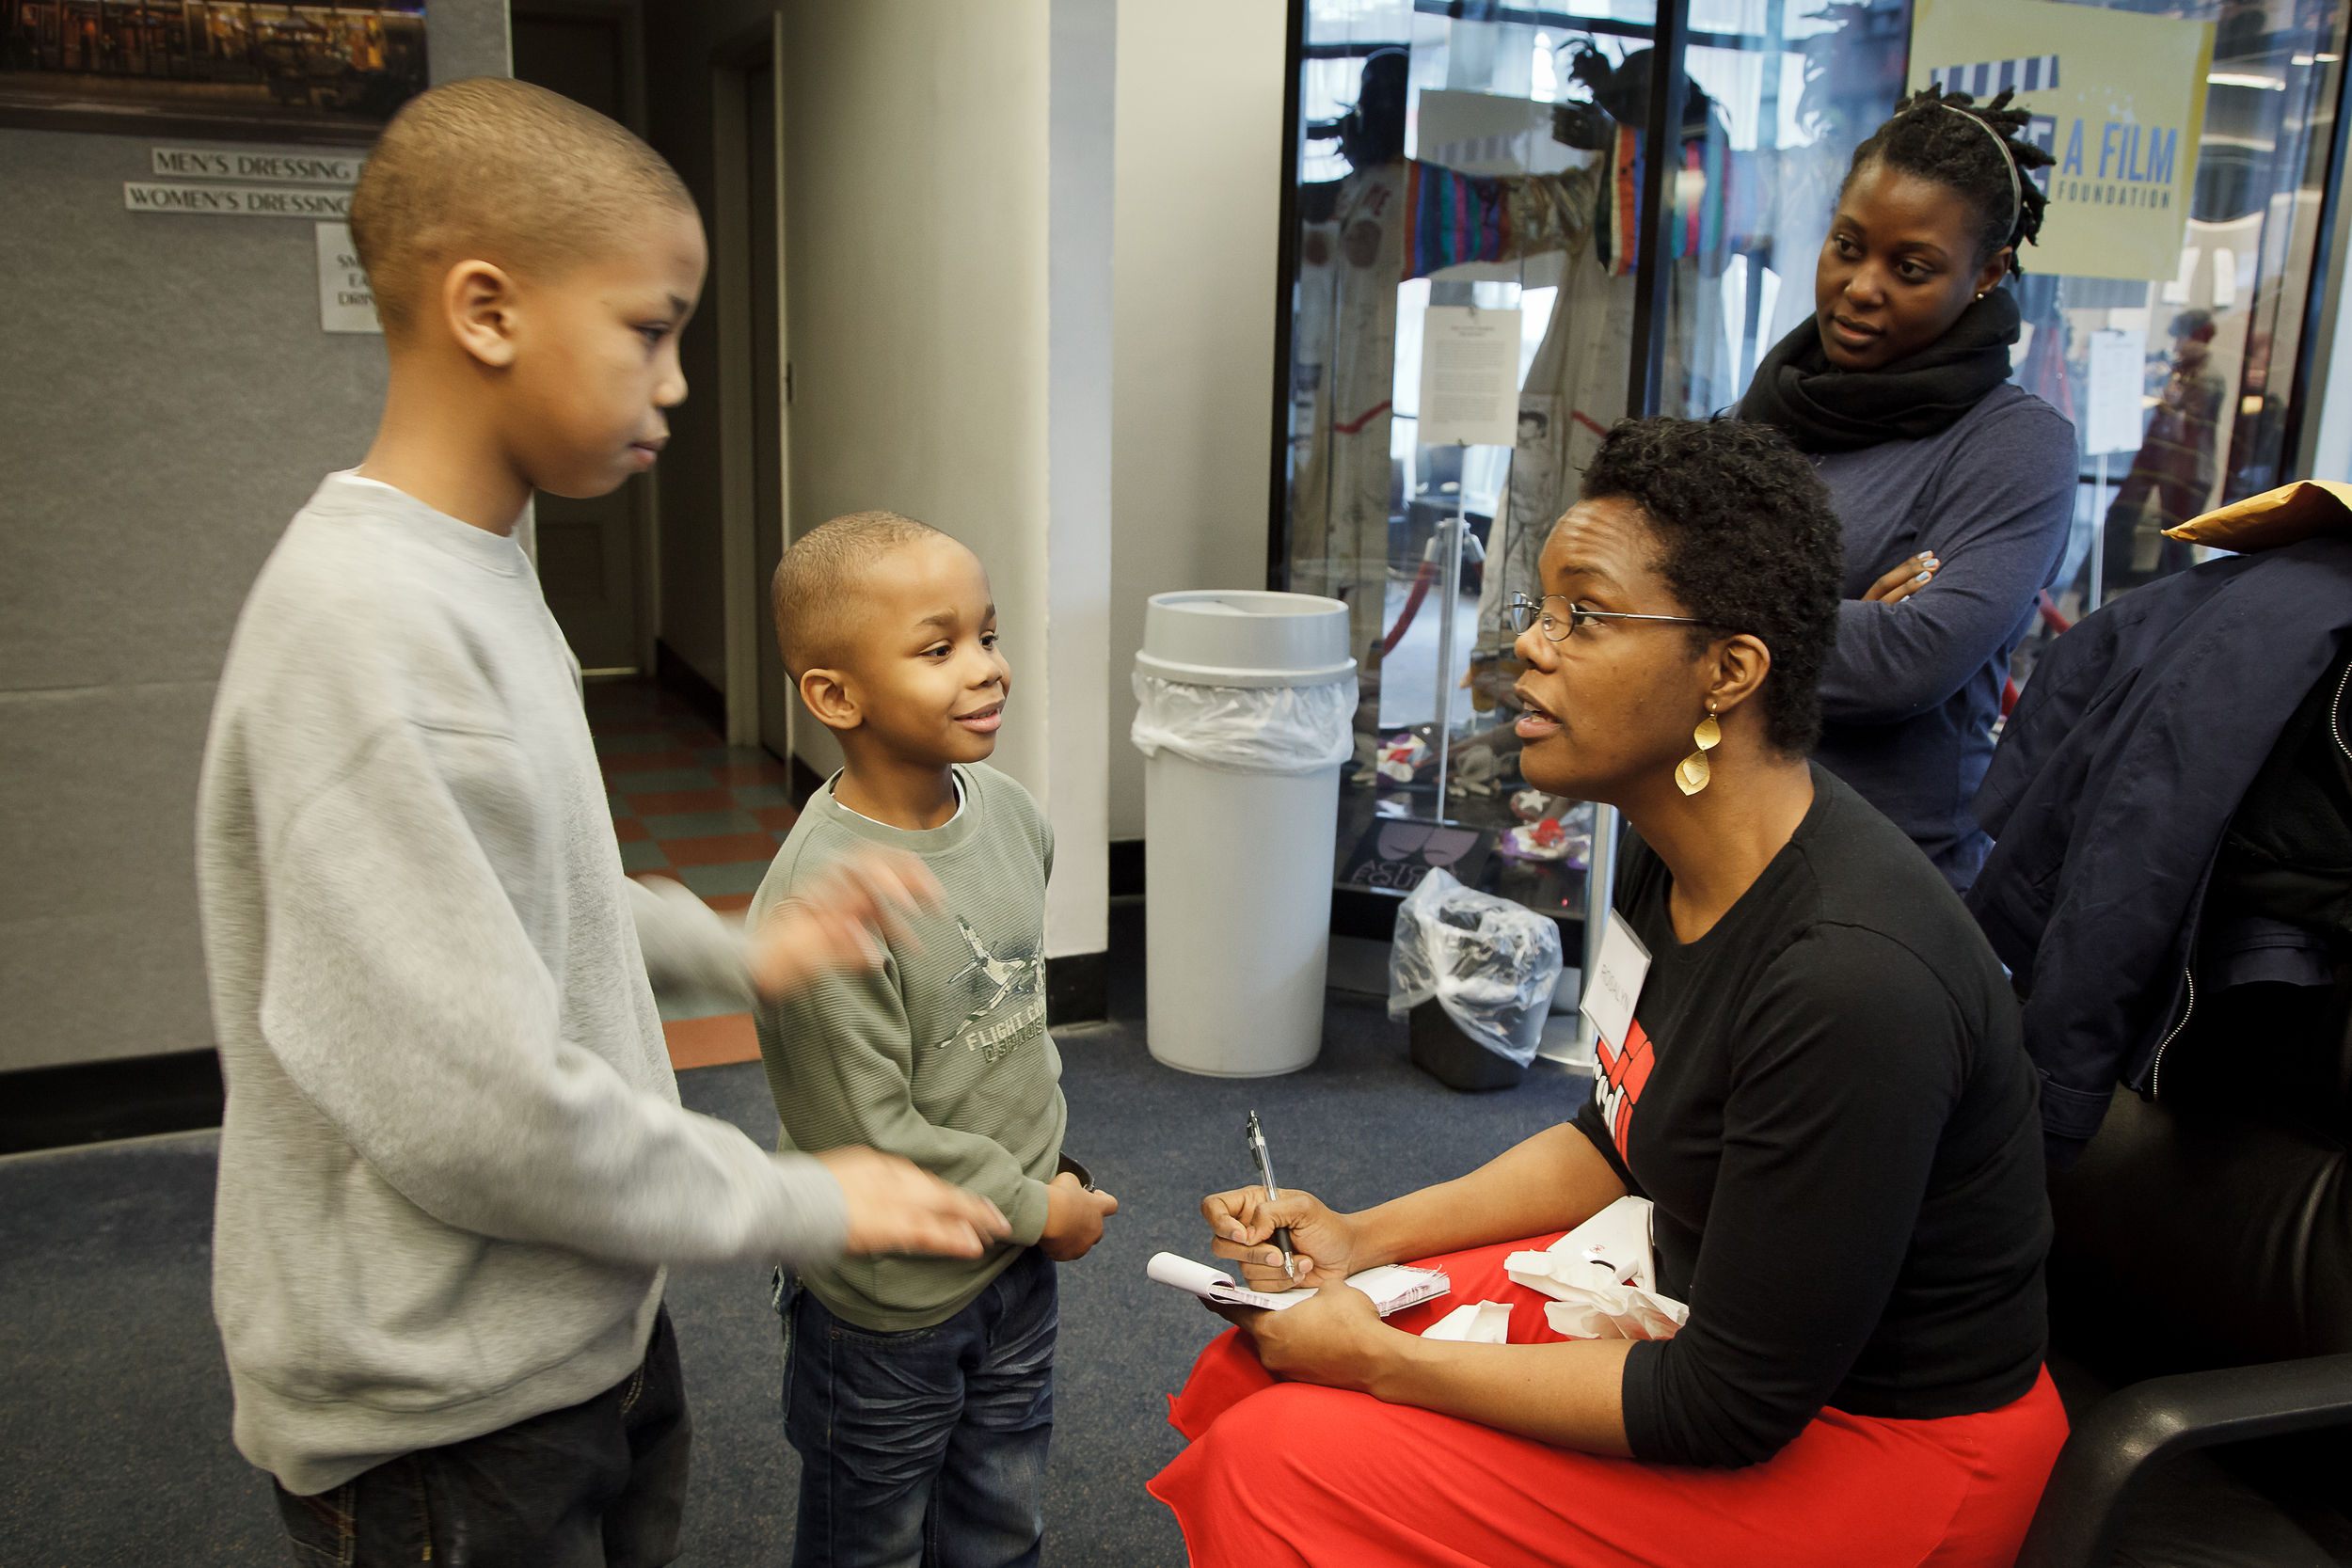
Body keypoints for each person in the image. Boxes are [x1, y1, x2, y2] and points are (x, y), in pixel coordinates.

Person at [195, 80, 1009, 1567]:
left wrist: (733, 952)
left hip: (566, 1329)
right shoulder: (366, 637)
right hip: (440, 1407)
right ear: (488, 309)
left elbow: (528, 890)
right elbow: (477, 1110)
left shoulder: (481, 573)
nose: (681, 380)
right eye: (652, 328)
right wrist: (789, 1192)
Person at [1150, 418, 2063, 1568]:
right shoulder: (1669, 841)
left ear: (1728, 670)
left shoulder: (1849, 980)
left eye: (1582, 614)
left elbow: (1728, 1405)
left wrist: (1384, 1360)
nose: (1529, 645)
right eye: (1540, 609)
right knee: (1266, 1349)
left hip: (1880, 1444)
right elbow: (1620, 1127)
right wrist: (1359, 1235)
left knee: (1282, 1454)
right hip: (1710, 1326)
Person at [755, 511, 1120, 1568]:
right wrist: (1029, 1205)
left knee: (1001, 1514)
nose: (987, 670)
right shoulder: (819, 906)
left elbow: (1006, 1033)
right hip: (890, 1304)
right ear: (835, 695)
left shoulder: (1008, 813)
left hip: (1016, 1254)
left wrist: (1044, 1173)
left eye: (989, 635)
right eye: (938, 648)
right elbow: (869, 1131)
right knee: (869, 1536)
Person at [1740, 86, 2076, 891]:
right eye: (1848, 245)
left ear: (1989, 271)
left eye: (1911, 267)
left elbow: (1911, 659)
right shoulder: (1760, 411)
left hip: (1881, 890)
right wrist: (1844, 614)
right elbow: (1629, 598)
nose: (1861, 286)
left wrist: (1695, 607)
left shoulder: (2016, 444)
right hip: (1709, 857)